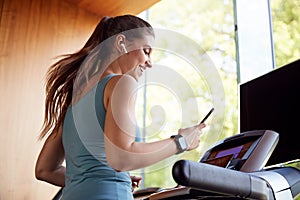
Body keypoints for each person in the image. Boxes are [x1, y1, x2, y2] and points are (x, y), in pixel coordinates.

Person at [35, 14, 206, 200]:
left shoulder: (75, 97)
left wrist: (109, 178)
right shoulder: (121, 83)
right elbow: (121, 158)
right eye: (146, 51)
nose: (150, 62)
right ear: (121, 42)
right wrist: (181, 142)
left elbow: (45, 169)